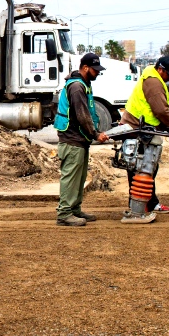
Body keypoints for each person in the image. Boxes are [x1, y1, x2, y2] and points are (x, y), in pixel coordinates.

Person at [119, 54, 169, 221]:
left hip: (143, 128)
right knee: (140, 168)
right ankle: (138, 207)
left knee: (148, 167)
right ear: (160, 69)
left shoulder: (153, 77)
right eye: (168, 74)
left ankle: (149, 203)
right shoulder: (153, 81)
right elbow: (160, 111)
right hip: (136, 129)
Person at [55, 52, 108, 227]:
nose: (98, 73)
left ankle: (74, 209)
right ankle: (64, 213)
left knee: (79, 177)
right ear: (85, 68)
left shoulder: (83, 84)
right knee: (71, 177)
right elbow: (82, 116)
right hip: (72, 138)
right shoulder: (77, 87)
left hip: (79, 138)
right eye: (95, 70)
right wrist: (96, 134)